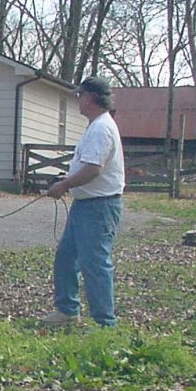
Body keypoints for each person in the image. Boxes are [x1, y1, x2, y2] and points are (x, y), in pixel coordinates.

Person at [43, 76, 125, 327]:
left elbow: (93, 169)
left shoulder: (101, 128)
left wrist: (65, 185)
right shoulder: (95, 126)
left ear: (89, 98)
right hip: (86, 204)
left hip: (99, 206)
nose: (77, 99)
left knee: (95, 264)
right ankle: (67, 311)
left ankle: (105, 323)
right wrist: (68, 178)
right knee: (66, 257)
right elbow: (87, 167)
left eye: (80, 95)